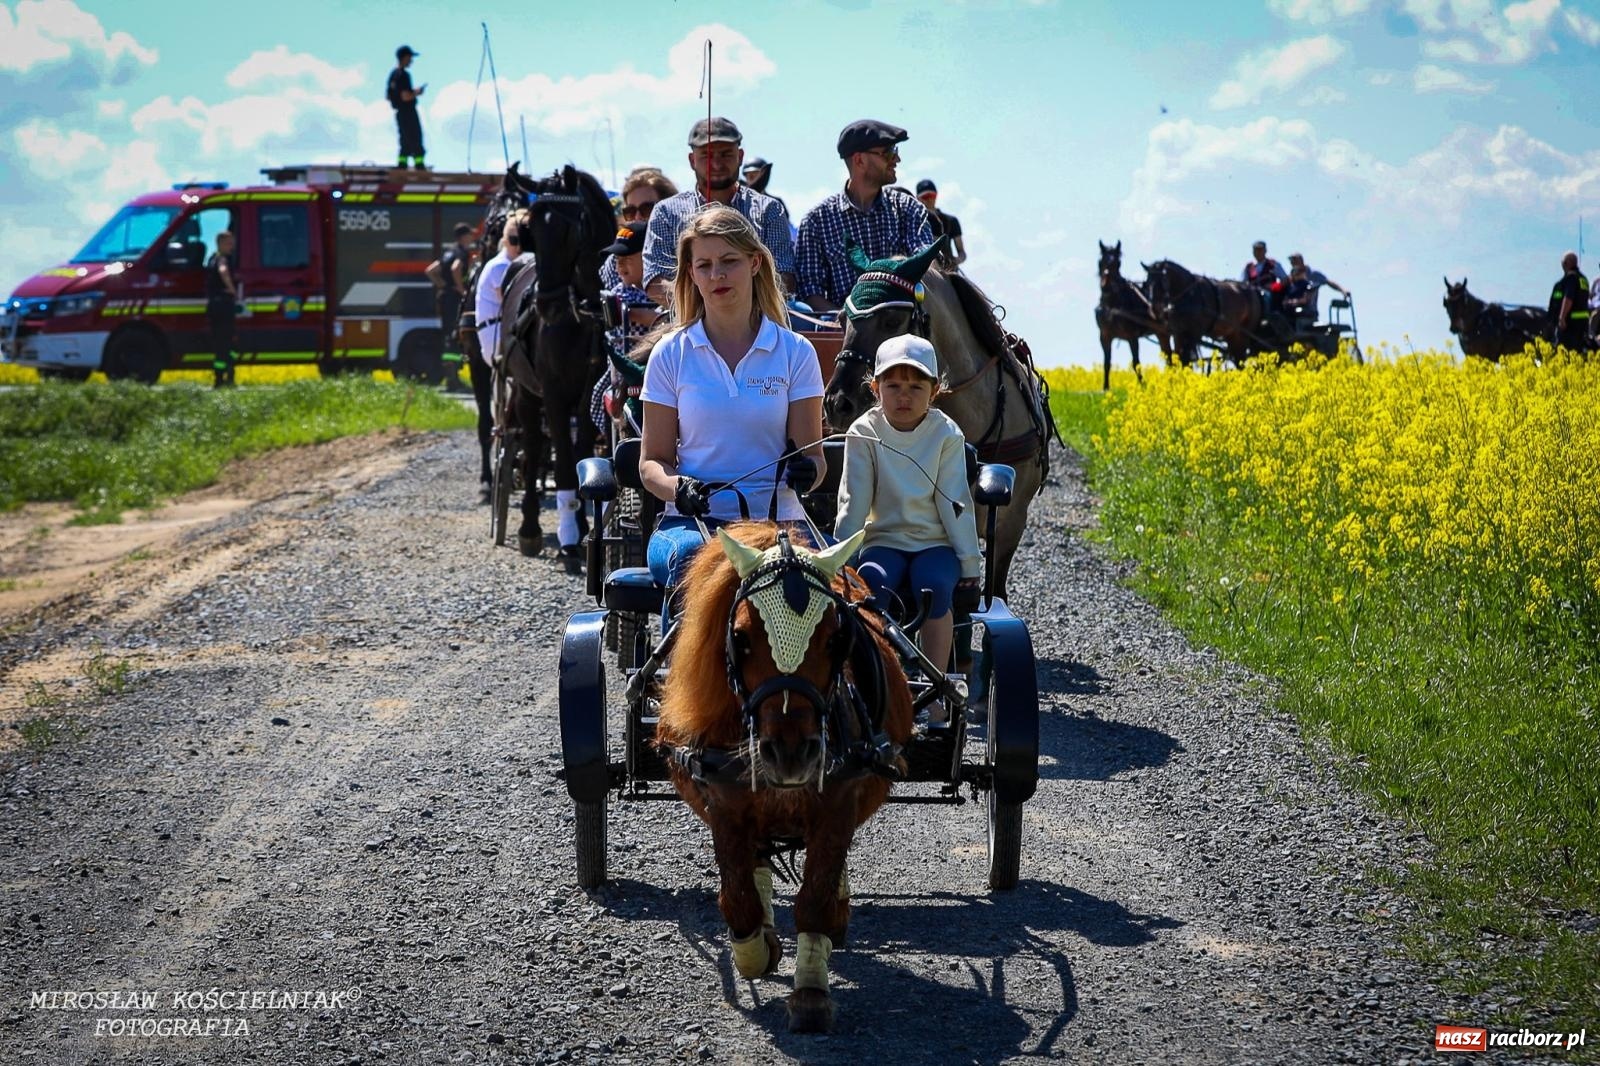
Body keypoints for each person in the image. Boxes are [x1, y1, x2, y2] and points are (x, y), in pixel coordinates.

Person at [638, 206, 826, 600]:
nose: (716, 275)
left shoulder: (796, 352)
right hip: (692, 523)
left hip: (781, 520)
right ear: (691, 274)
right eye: (703, 265)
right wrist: (678, 489)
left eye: (729, 261)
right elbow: (651, 463)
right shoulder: (670, 354)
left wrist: (808, 470)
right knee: (696, 558)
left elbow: (817, 460)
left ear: (755, 262)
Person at [834, 335, 979, 724]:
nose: (904, 396)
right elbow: (854, 503)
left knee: (933, 588)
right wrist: (838, 561)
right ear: (875, 388)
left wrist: (970, 564)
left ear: (935, 390)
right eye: (893, 386)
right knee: (871, 585)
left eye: (916, 387)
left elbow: (955, 503)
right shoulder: (864, 431)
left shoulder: (945, 434)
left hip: (934, 542)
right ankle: (881, 686)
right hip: (884, 540)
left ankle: (935, 690)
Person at [640, 118, 795, 305]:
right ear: (692, 160)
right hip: (682, 323)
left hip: (758, 323)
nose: (716, 164)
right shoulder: (665, 212)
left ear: (740, 156)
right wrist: (706, 310)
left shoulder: (768, 210)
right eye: (706, 155)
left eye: (725, 154)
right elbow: (655, 280)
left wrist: (740, 313)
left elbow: (783, 276)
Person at [795, 120, 935, 314]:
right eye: (888, 152)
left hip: (905, 327)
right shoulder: (816, 221)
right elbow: (810, 291)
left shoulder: (909, 209)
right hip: (847, 335)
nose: (897, 159)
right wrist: (853, 320)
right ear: (859, 160)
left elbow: (927, 265)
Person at [589, 222, 658, 441]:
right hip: (624, 364)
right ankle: (609, 440)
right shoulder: (617, 292)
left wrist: (639, 314)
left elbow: (665, 319)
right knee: (603, 392)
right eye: (618, 261)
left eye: (628, 259)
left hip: (654, 361)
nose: (621, 266)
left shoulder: (658, 292)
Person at [601, 168, 678, 290]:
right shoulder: (614, 263)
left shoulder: (686, 249)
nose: (637, 217)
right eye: (630, 211)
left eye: (647, 209)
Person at [426, 222, 475, 389]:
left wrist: (442, 285)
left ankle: (451, 378)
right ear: (463, 236)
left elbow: (430, 270)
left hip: (445, 299)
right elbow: (456, 269)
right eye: (470, 235)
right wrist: (462, 291)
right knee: (455, 336)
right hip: (454, 300)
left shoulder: (449, 252)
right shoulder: (461, 252)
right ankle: (453, 381)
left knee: (449, 336)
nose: (472, 238)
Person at [205, 231, 239, 388]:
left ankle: (222, 377)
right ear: (220, 243)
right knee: (226, 342)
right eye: (228, 243)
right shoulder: (221, 259)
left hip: (214, 306)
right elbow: (224, 271)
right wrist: (232, 289)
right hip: (224, 306)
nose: (231, 247)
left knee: (221, 342)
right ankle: (225, 378)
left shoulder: (211, 258)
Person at [387, 45, 426, 169]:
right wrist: (417, 93)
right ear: (404, 58)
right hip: (408, 112)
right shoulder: (404, 75)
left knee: (405, 140)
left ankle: (402, 165)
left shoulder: (393, 75)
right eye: (410, 57)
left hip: (400, 113)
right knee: (415, 137)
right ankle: (419, 165)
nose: (411, 61)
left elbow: (389, 96)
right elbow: (405, 96)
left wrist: (410, 93)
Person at [915, 179, 966, 270]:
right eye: (926, 196)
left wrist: (956, 261)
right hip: (922, 270)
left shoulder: (951, 221)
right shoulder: (914, 221)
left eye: (932, 195)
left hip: (948, 270)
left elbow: (962, 252)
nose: (930, 199)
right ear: (918, 198)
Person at [1285, 252, 1349, 322]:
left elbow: (1328, 282)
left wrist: (1343, 290)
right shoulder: (1292, 276)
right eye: (1291, 261)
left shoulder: (1313, 274)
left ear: (1301, 260)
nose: (1292, 263)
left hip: (1309, 312)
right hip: (1292, 310)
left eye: (1294, 260)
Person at [1549, 251, 1590, 352]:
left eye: (1563, 262)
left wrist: (1562, 318)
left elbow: (1568, 298)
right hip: (1582, 325)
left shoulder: (1571, 278)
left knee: (1563, 353)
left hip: (1570, 325)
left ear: (1567, 263)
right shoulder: (1583, 279)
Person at [1241, 240, 1287, 308]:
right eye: (1255, 250)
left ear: (1265, 251)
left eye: (1260, 250)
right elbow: (1243, 282)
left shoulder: (1273, 264)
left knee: (1265, 298)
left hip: (1269, 293)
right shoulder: (1249, 266)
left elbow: (1285, 280)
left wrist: (1273, 286)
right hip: (1253, 293)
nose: (1258, 252)